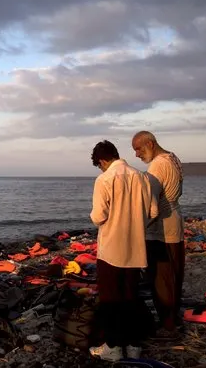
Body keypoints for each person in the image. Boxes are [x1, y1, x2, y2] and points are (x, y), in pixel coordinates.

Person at [88, 140, 158, 362]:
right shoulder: (142, 177)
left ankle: (114, 346)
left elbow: (99, 216)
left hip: (111, 250)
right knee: (131, 297)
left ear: (102, 161)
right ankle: (133, 344)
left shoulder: (104, 179)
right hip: (136, 248)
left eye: (99, 165)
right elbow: (153, 211)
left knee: (111, 300)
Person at [131, 131, 185, 336]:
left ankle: (168, 325)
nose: (136, 154)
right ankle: (173, 318)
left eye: (138, 148)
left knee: (161, 277)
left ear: (150, 144)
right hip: (175, 220)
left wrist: (136, 226)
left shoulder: (157, 165)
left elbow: (149, 202)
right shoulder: (173, 158)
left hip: (161, 226)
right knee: (174, 274)